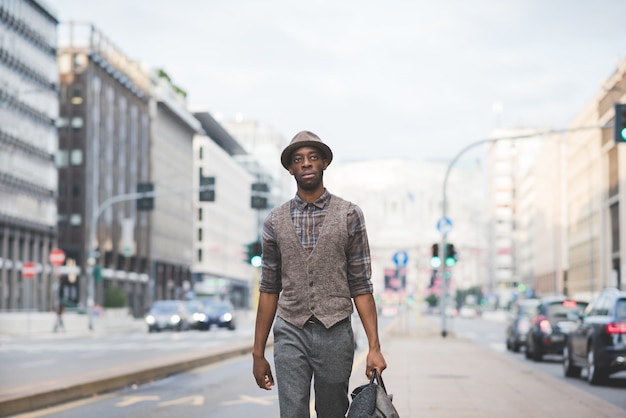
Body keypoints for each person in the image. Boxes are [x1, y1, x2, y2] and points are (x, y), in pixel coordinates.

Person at [252, 130, 387, 418]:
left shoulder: (350, 215)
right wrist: (258, 352)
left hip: (335, 330)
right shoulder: (274, 221)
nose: (306, 163)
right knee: (292, 412)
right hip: (290, 329)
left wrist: (374, 347)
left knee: (333, 411)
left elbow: (361, 285)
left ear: (324, 163)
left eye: (313, 157)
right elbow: (268, 288)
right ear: (290, 168)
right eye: (298, 159)